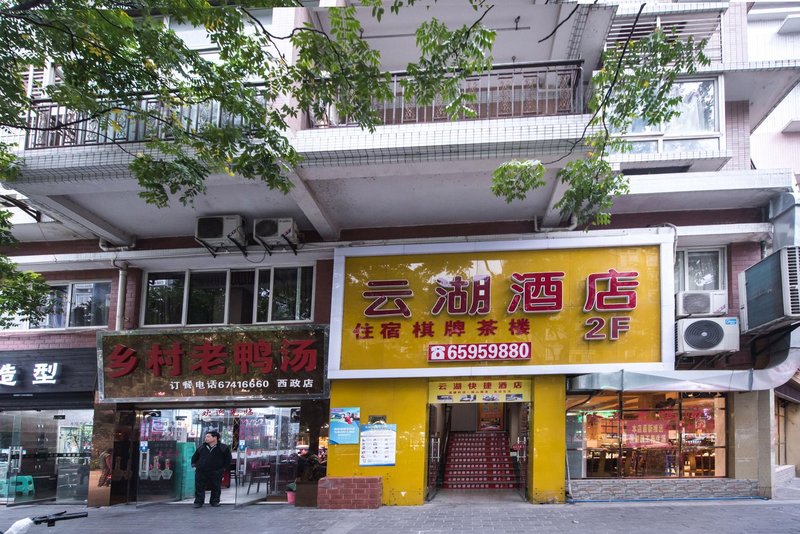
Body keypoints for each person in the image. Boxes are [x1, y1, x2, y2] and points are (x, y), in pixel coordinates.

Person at [191, 430, 232, 508]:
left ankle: (215, 501)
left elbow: (228, 459)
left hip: (216, 470)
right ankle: (198, 502)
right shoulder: (202, 447)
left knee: (216, 486)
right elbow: (194, 457)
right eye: (206, 437)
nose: (206, 438)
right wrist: (194, 466)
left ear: (215, 438)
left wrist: (223, 469)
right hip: (201, 470)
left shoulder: (223, 447)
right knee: (199, 487)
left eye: (208, 437)